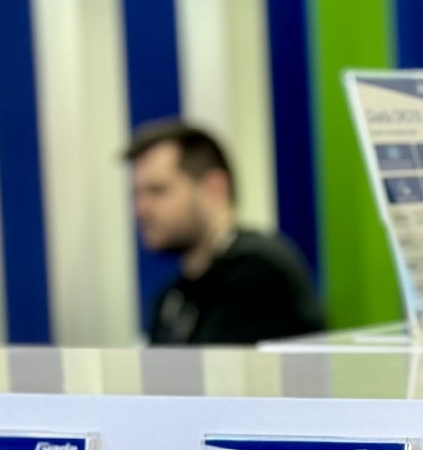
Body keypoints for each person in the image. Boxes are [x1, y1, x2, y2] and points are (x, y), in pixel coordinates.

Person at [124, 121, 323, 345]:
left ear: (214, 188)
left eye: (158, 191)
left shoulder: (258, 276)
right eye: (137, 194)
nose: (141, 209)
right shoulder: (172, 297)